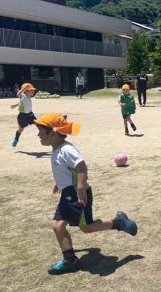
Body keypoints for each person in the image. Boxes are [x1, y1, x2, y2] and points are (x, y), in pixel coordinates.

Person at [34, 113, 138, 274]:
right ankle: (70, 260)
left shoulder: (66, 149)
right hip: (68, 193)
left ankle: (119, 222)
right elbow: (68, 169)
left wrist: (81, 189)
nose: (38, 135)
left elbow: (81, 167)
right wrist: (59, 183)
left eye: (40, 131)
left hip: (77, 194)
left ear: (53, 134)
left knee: (87, 227)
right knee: (57, 225)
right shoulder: (57, 149)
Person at [10, 83, 37, 147]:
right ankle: (16, 139)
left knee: (38, 123)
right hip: (22, 116)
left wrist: (15, 105)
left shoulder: (28, 97)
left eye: (33, 90)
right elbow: (18, 94)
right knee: (21, 129)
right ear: (26, 91)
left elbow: (21, 102)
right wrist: (24, 88)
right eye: (31, 90)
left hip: (30, 115)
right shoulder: (23, 96)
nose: (33, 91)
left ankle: (46, 134)